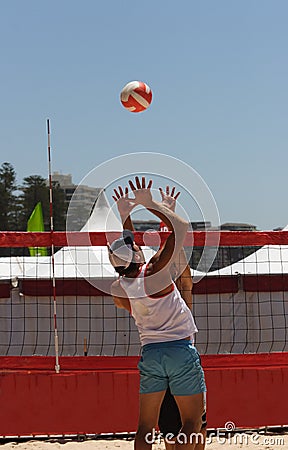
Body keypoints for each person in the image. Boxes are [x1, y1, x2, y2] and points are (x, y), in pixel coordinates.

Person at [108, 177, 206, 450]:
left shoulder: (119, 288)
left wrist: (125, 216)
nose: (138, 243)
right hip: (179, 351)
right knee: (192, 424)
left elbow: (128, 251)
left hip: (150, 354)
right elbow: (182, 228)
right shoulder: (153, 274)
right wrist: (151, 205)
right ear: (138, 257)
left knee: (145, 428)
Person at [157, 187, 207, 450]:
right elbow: (181, 274)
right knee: (194, 427)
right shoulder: (177, 299)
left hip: (158, 360)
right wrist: (169, 218)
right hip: (182, 357)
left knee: (171, 430)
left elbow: (172, 267)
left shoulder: (140, 292)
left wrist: (168, 219)